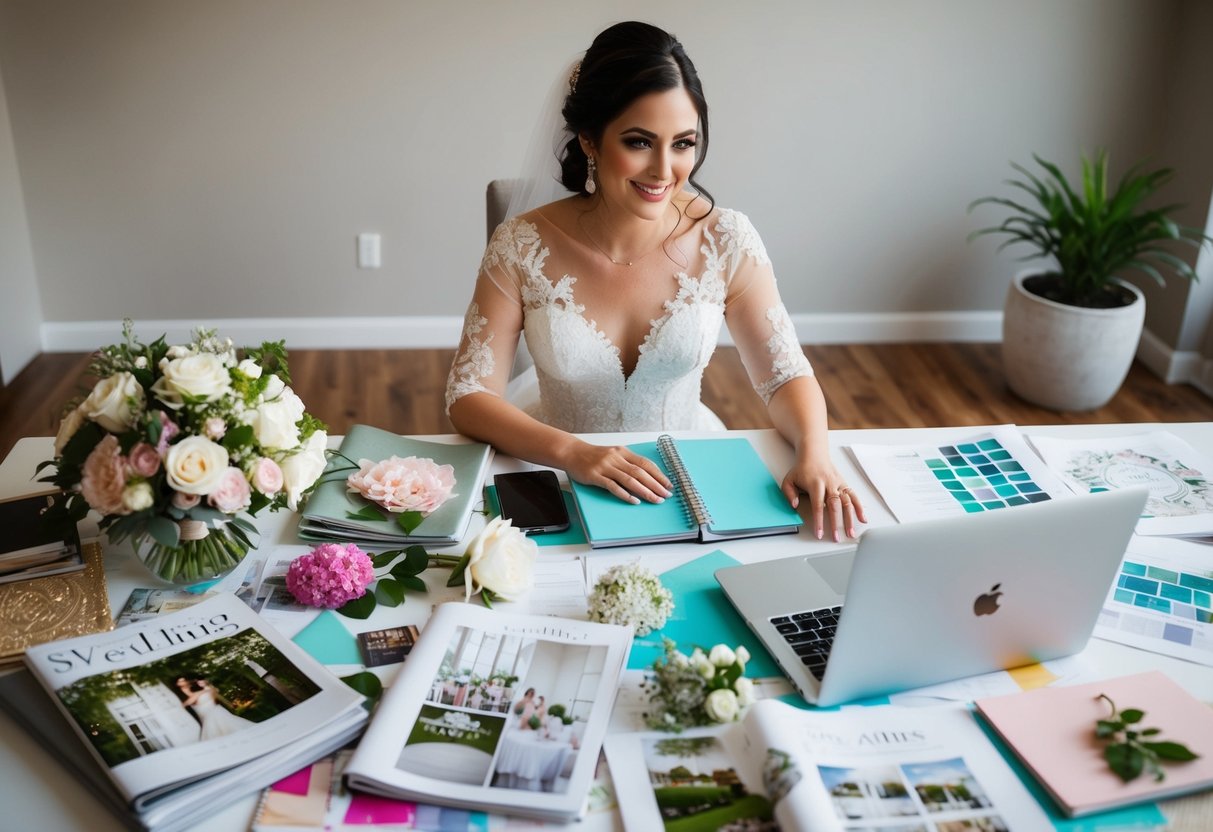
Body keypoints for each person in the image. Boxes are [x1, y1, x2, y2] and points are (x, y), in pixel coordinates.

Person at [445, 21, 864, 541]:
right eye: (639, 142)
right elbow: (468, 395)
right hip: (556, 472)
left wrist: (816, 455)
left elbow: (784, 376)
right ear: (590, 142)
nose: (664, 170)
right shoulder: (521, 243)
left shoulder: (726, 238)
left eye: (683, 143)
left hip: (685, 477)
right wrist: (572, 452)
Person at [175, 677, 255, 740]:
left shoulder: (197, 687)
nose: (184, 682)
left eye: (184, 680)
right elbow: (190, 700)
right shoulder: (184, 691)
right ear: (177, 684)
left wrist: (206, 691)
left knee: (220, 717)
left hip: (211, 708)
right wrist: (203, 692)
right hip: (203, 709)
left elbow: (211, 693)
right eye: (180, 681)